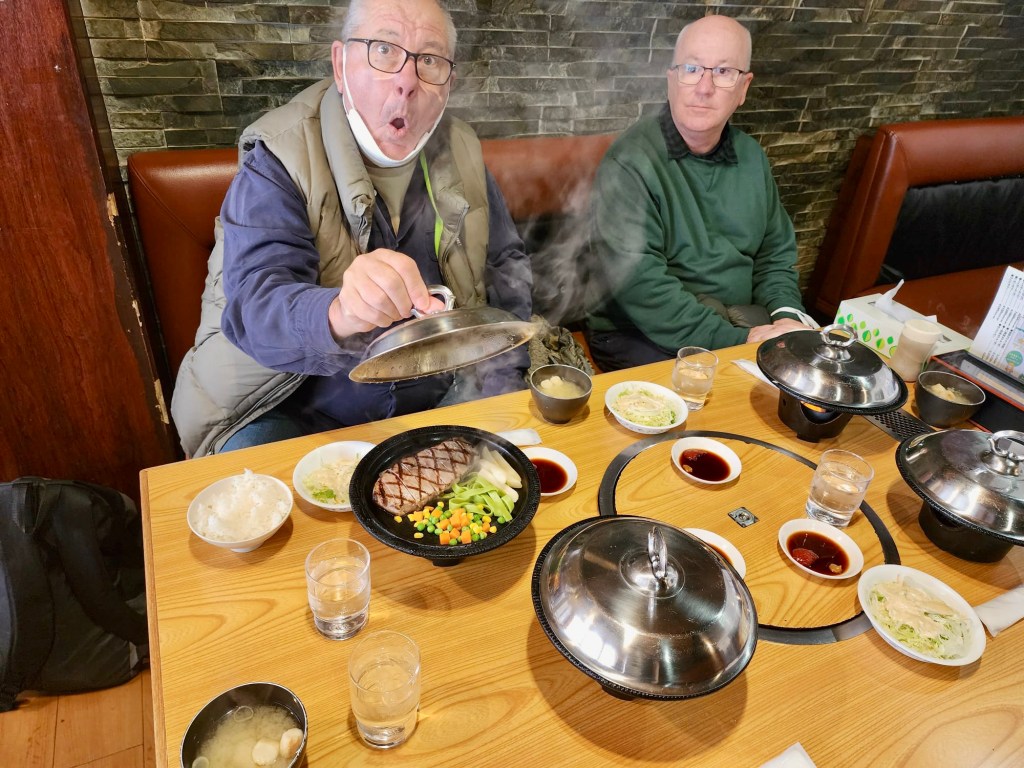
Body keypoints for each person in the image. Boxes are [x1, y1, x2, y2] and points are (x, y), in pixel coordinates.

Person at [171, 0, 532, 458]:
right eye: (384, 50)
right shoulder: (277, 157)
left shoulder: (462, 148)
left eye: (429, 60)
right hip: (291, 407)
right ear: (341, 64)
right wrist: (340, 312)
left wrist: (503, 374)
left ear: (448, 83)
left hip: (441, 393)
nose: (406, 81)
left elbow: (506, 265)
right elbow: (255, 307)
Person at [584, 14, 809, 372]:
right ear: (671, 80)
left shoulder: (752, 157)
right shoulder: (630, 161)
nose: (704, 88)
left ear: (744, 87)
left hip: (739, 322)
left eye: (723, 72)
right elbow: (641, 287)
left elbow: (774, 257)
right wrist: (742, 342)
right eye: (691, 69)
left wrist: (786, 318)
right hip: (641, 332)